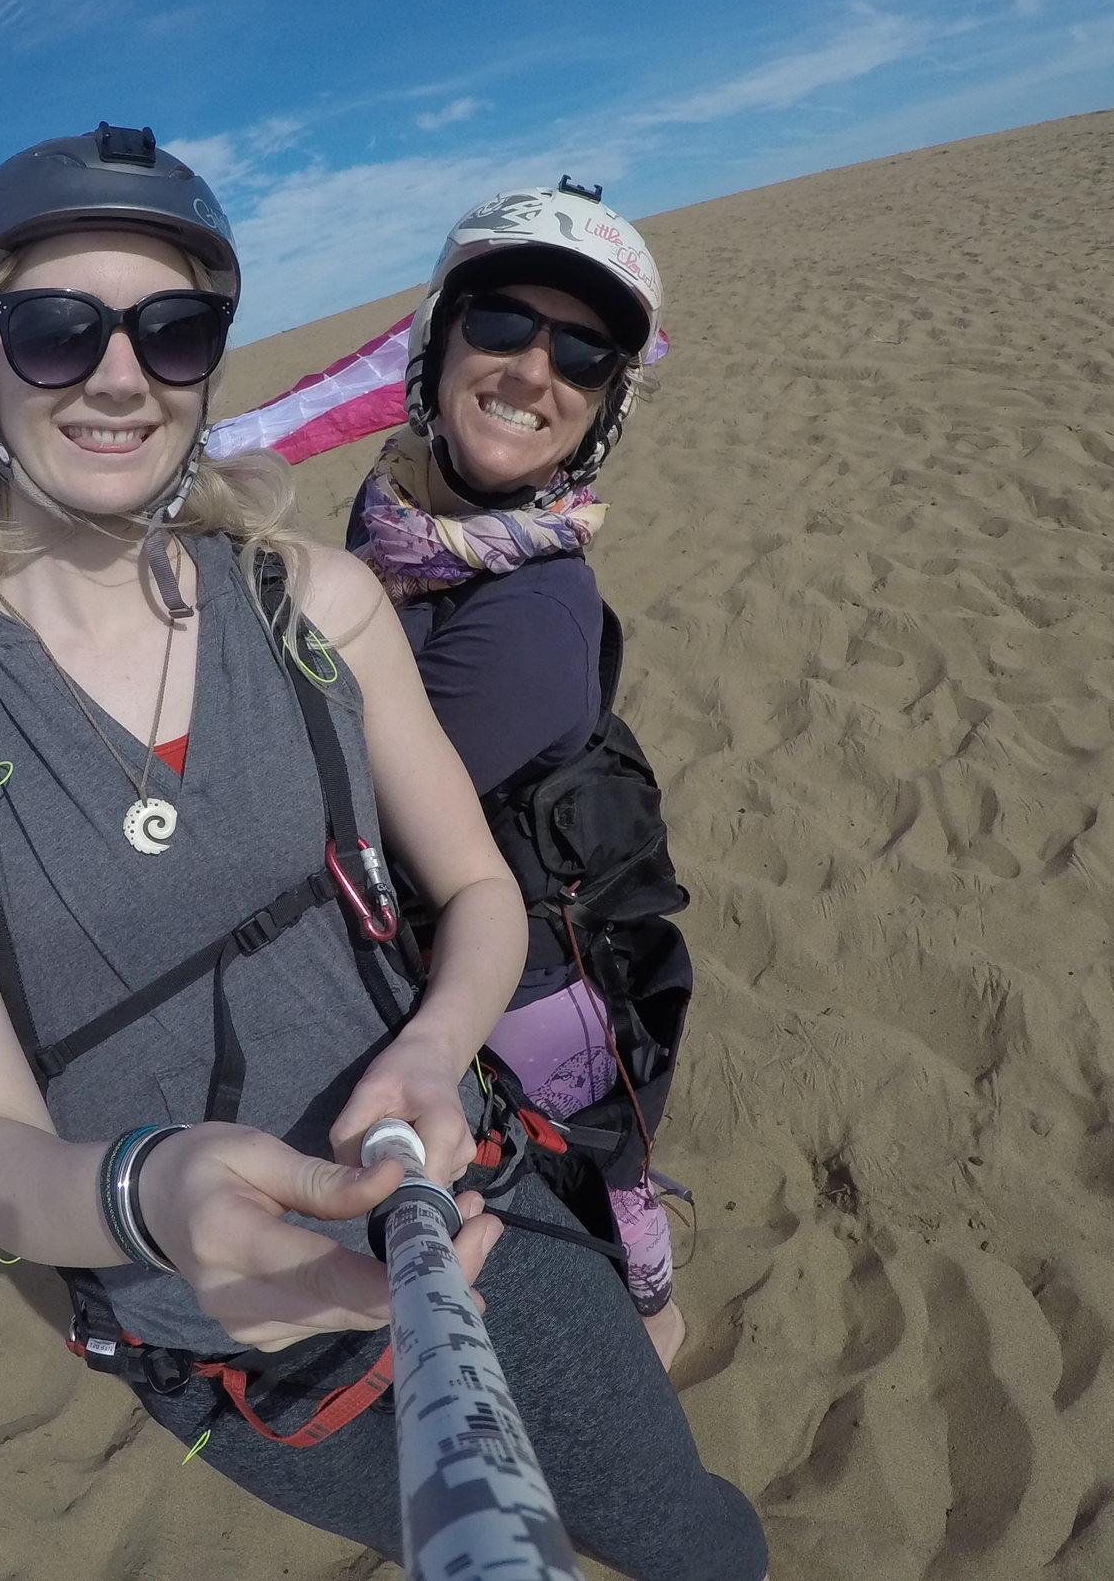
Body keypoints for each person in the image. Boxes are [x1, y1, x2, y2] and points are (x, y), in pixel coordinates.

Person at [0, 126, 764, 1577]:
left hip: (468, 1215)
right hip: (216, 1348)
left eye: (171, 329)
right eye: (57, 333)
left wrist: (436, 1046)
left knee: (678, 1534)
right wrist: (150, 1192)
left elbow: (479, 887)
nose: (120, 375)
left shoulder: (317, 597)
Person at [346, 180, 697, 1367]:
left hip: (527, 988)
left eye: (584, 351)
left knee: (597, 1168)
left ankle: (649, 1300)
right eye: (501, 324)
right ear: (437, 343)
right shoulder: (398, 512)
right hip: (435, 952)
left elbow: (356, 813)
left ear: (601, 408)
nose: (532, 368)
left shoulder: (533, 611)